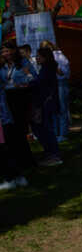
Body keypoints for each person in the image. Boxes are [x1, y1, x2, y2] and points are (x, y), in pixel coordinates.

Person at [1, 40, 37, 172]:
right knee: (11, 131)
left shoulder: (23, 62)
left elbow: (33, 77)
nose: (6, 53)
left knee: (20, 129)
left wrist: (24, 83)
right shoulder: (3, 65)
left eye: (8, 50)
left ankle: (27, 160)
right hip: (7, 99)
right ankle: (18, 159)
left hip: (20, 97)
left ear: (14, 50)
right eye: (3, 51)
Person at [32, 46, 62, 166]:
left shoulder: (47, 70)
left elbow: (41, 84)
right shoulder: (46, 69)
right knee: (43, 129)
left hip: (46, 102)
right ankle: (50, 153)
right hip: (46, 102)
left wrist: (29, 79)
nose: (36, 58)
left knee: (47, 129)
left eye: (38, 56)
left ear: (45, 57)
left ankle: (54, 155)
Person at [40, 40, 70, 142]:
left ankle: (63, 134)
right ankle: (56, 133)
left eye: (46, 48)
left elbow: (63, 73)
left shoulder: (59, 57)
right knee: (54, 110)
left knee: (62, 109)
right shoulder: (49, 58)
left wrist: (54, 67)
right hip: (52, 85)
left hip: (60, 84)